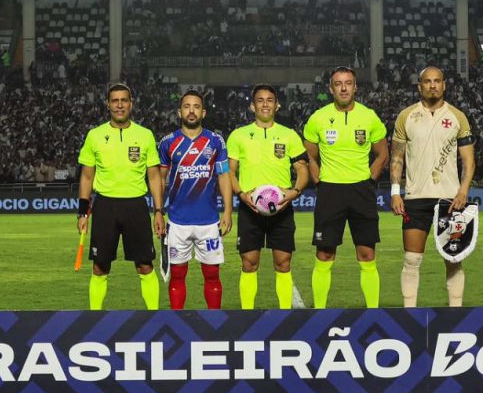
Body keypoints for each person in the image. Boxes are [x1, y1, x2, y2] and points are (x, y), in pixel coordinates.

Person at [303, 66, 388, 309]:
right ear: (331, 89)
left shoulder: (369, 117)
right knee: (325, 254)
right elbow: (308, 156)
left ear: (355, 87)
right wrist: (319, 181)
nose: (343, 88)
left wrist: (369, 181)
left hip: (361, 191)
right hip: (331, 191)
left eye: (348, 83)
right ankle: (320, 311)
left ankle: (372, 311)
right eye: (338, 84)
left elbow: (383, 154)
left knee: (367, 253)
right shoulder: (318, 118)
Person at [390, 66, 475, 308]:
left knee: (453, 259)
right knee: (411, 259)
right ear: (420, 87)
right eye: (427, 81)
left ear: (444, 85)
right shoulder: (406, 116)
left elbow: (469, 161)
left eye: (437, 81)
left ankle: (455, 312)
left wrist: (463, 191)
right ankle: (409, 313)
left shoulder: (458, 117)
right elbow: (396, 157)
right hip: (415, 198)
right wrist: (395, 192)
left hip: (450, 199)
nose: (433, 85)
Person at [77, 83, 165, 310]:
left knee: (145, 265)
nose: (119, 105)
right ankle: (94, 316)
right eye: (115, 101)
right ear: (108, 105)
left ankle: (153, 315)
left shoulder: (144, 135)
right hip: (105, 206)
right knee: (100, 267)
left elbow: (154, 176)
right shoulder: (95, 135)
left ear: (131, 104)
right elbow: (87, 176)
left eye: (124, 100)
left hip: (136, 205)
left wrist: (158, 211)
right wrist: (82, 213)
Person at [226, 85, 310, 309]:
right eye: (260, 100)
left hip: (281, 208)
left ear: (277, 105)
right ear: (252, 106)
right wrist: (241, 194)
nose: (265, 104)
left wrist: (294, 192)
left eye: (270, 100)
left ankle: (285, 315)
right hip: (250, 208)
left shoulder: (289, 135)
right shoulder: (238, 135)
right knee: (249, 263)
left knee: (283, 263)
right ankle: (247, 315)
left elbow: (303, 170)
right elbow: (229, 172)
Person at [158, 90, 233, 309]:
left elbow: (224, 176)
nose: (191, 111)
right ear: (179, 112)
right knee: (177, 275)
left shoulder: (216, 141)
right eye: (187, 106)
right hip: (177, 222)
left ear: (204, 112)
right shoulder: (167, 143)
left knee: (212, 274)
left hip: (208, 222)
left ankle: (214, 320)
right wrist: (159, 212)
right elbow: (160, 180)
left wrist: (228, 211)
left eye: (196, 107)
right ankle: (176, 320)